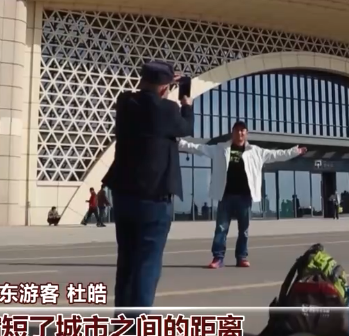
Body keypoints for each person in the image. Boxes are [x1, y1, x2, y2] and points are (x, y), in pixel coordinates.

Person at [101, 61, 193, 311]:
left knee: (127, 263)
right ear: (164, 89)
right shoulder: (168, 109)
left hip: (124, 197)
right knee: (147, 265)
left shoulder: (125, 103)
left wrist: (164, 82)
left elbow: (147, 97)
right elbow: (187, 127)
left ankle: (124, 322)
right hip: (154, 199)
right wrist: (186, 105)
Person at [178, 121, 306, 269]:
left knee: (243, 230)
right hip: (225, 195)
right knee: (221, 228)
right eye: (237, 130)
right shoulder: (221, 149)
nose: (240, 133)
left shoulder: (255, 151)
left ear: (246, 133)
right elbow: (199, 148)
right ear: (232, 132)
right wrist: (180, 143)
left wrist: (295, 151)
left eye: (242, 130)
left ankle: (241, 257)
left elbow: (277, 155)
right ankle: (218, 258)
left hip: (244, 196)